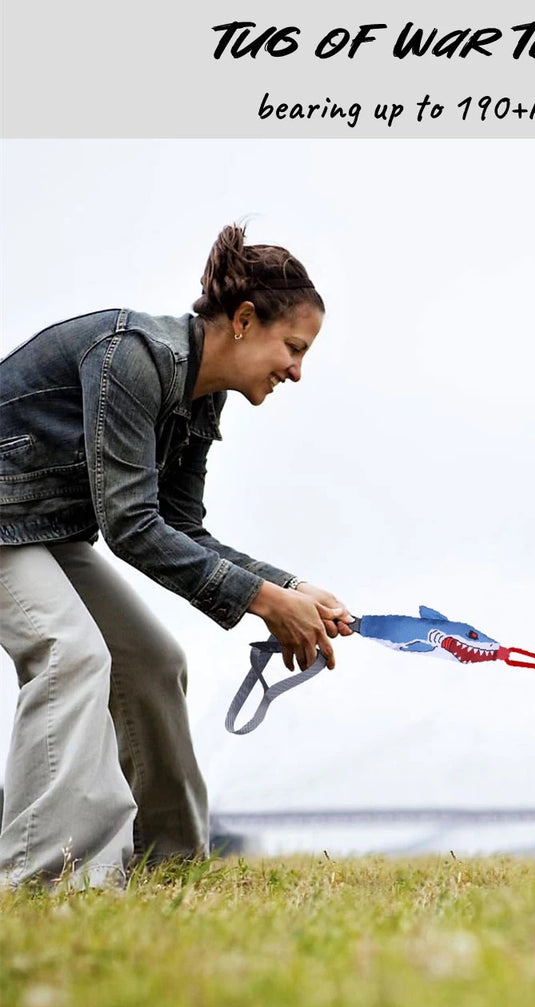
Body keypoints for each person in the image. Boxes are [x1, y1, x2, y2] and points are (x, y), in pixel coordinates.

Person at [0, 222, 353, 888]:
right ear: (245, 320)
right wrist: (268, 603)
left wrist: (293, 587)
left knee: (153, 662)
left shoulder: (201, 398)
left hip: (39, 528)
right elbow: (132, 527)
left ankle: (170, 868)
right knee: (71, 653)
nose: (297, 372)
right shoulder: (132, 356)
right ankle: (41, 880)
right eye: (294, 348)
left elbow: (181, 528)